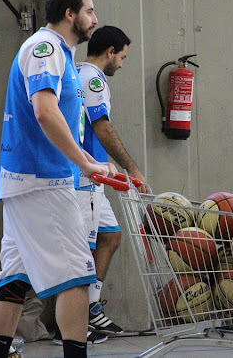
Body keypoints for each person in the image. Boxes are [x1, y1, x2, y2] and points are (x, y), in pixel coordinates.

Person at [0, 0, 116, 358]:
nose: (95, 18)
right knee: (77, 274)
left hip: (28, 181)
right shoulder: (46, 49)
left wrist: (87, 164)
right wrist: (86, 162)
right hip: (42, 181)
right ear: (70, 14)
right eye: (89, 10)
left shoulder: (59, 53)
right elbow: (44, 111)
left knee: (13, 280)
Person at [69, 26, 148, 338]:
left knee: (111, 236)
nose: (122, 65)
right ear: (110, 52)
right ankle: (77, 321)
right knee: (81, 251)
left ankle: (91, 307)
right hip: (84, 179)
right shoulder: (92, 78)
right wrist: (133, 169)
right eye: (123, 57)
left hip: (95, 177)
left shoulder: (80, 74)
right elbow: (101, 126)